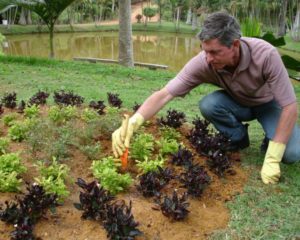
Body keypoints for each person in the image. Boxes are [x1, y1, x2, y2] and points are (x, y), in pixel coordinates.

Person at [112, 11, 300, 184]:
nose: (208, 58)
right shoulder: (204, 62)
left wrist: (273, 158)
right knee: (209, 104)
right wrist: (134, 122)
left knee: (291, 153)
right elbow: (165, 94)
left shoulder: (266, 55)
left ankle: (271, 141)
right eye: (205, 51)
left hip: (268, 104)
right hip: (237, 103)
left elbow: (290, 106)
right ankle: (238, 138)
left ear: (235, 44)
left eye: (214, 52)